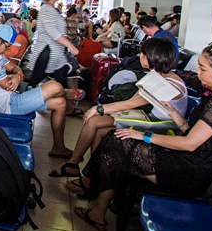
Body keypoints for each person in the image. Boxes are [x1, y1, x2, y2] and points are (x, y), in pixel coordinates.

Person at [70, 43, 212, 231]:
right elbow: (191, 131)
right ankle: (97, 203)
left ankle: (94, 198)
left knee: (119, 144)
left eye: (203, 68)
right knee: (118, 140)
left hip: (191, 171)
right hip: (190, 161)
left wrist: (144, 135)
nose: (197, 72)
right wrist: (174, 114)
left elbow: (190, 144)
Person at [51, 38, 187, 178]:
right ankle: (88, 173)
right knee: (97, 126)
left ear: (152, 57)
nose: (139, 56)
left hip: (161, 125)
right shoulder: (159, 75)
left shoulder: (168, 83)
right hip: (149, 118)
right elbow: (133, 100)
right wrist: (104, 110)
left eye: (143, 53)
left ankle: (85, 173)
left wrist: (98, 109)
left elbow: (132, 103)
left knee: (94, 121)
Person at [0, 25, 81, 158]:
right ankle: (67, 93)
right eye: (7, 46)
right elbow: (8, 85)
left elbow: (15, 68)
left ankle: (58, 147)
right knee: (55, 86)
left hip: (14, 98)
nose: (7, 50)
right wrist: (17, 77)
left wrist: (16, 76)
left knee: (60, 103)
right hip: (10, 105)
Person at [27, 0, 81, 84]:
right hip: (47, 52)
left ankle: (66, 96)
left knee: (59, 81)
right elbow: (52, 31)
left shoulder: (50, 9)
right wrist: (71, 46)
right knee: (35, 81)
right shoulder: (47, 10)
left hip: (54, 53)